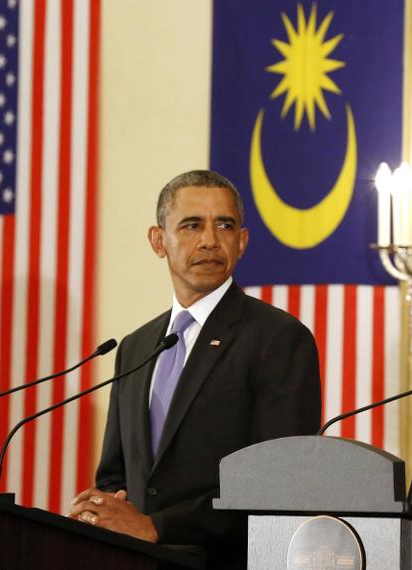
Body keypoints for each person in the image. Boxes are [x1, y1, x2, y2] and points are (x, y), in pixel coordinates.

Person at [69, 170, 322, 567]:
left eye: (224, 225)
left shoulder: (278, 339)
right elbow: (116, 475)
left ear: (242, 242)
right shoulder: (134, 348)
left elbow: (279, 483)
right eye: (191, 225)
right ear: (158, 241)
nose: (209, 240)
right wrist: (103, 509)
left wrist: (156, 527)